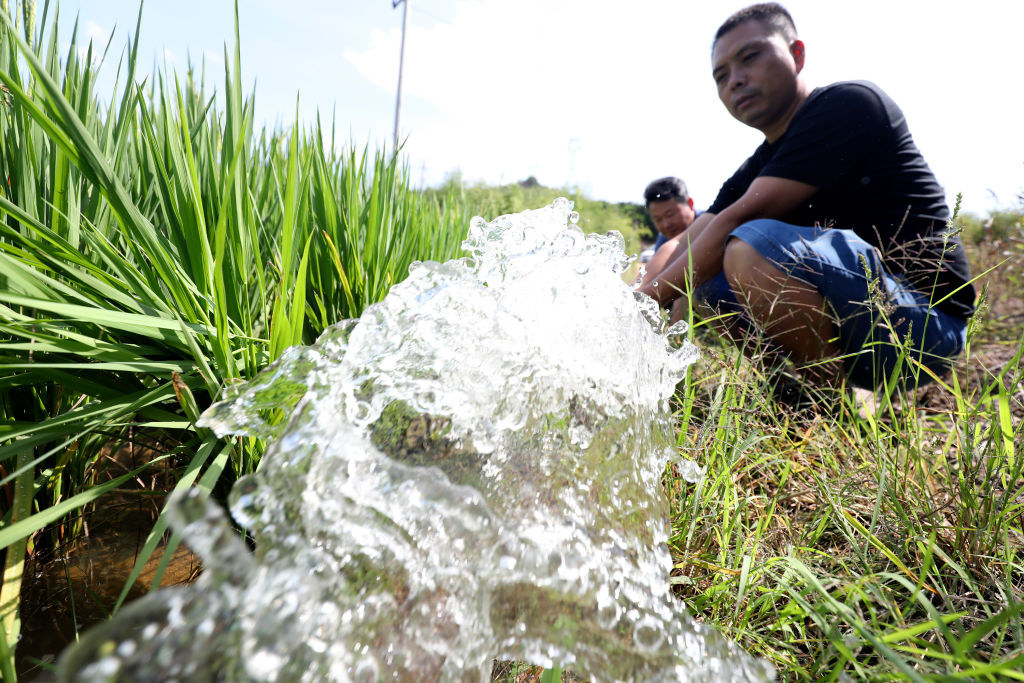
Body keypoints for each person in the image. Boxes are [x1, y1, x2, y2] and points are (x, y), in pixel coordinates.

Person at [636, 2, 975, 400]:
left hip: (925, 328)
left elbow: (731, 224)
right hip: (858, 326)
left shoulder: (847, 105)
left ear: (797, 54)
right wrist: (630, 304)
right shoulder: (763, 163)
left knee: (747, 246)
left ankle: (824, 411)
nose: (735, 81)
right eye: (721, 75)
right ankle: (790, 391)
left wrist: (637, 311)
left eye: (750, 57)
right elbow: (684, 242)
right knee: (706, 273)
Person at [640, 177, 699, 263]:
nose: (666, 225)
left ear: (690, 204)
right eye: (658, 219)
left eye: (670, 215)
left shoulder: (711, 226)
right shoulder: (664, 240)